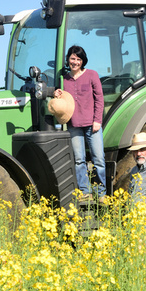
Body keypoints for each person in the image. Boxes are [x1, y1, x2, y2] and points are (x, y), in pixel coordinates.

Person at [54, 45, 106, 203]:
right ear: (68, 60)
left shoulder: (91, 75)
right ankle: (85, 191)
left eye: (78, 59)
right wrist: (56, 93)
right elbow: (62, 99)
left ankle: (101, 193)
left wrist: (97, 120)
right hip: (74, 124)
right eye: (72, 58)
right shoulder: (64, 79)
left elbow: (99, 98)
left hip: (92, 124)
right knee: (79, 160)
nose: (75, 62)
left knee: (98, 159)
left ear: (83, 61)